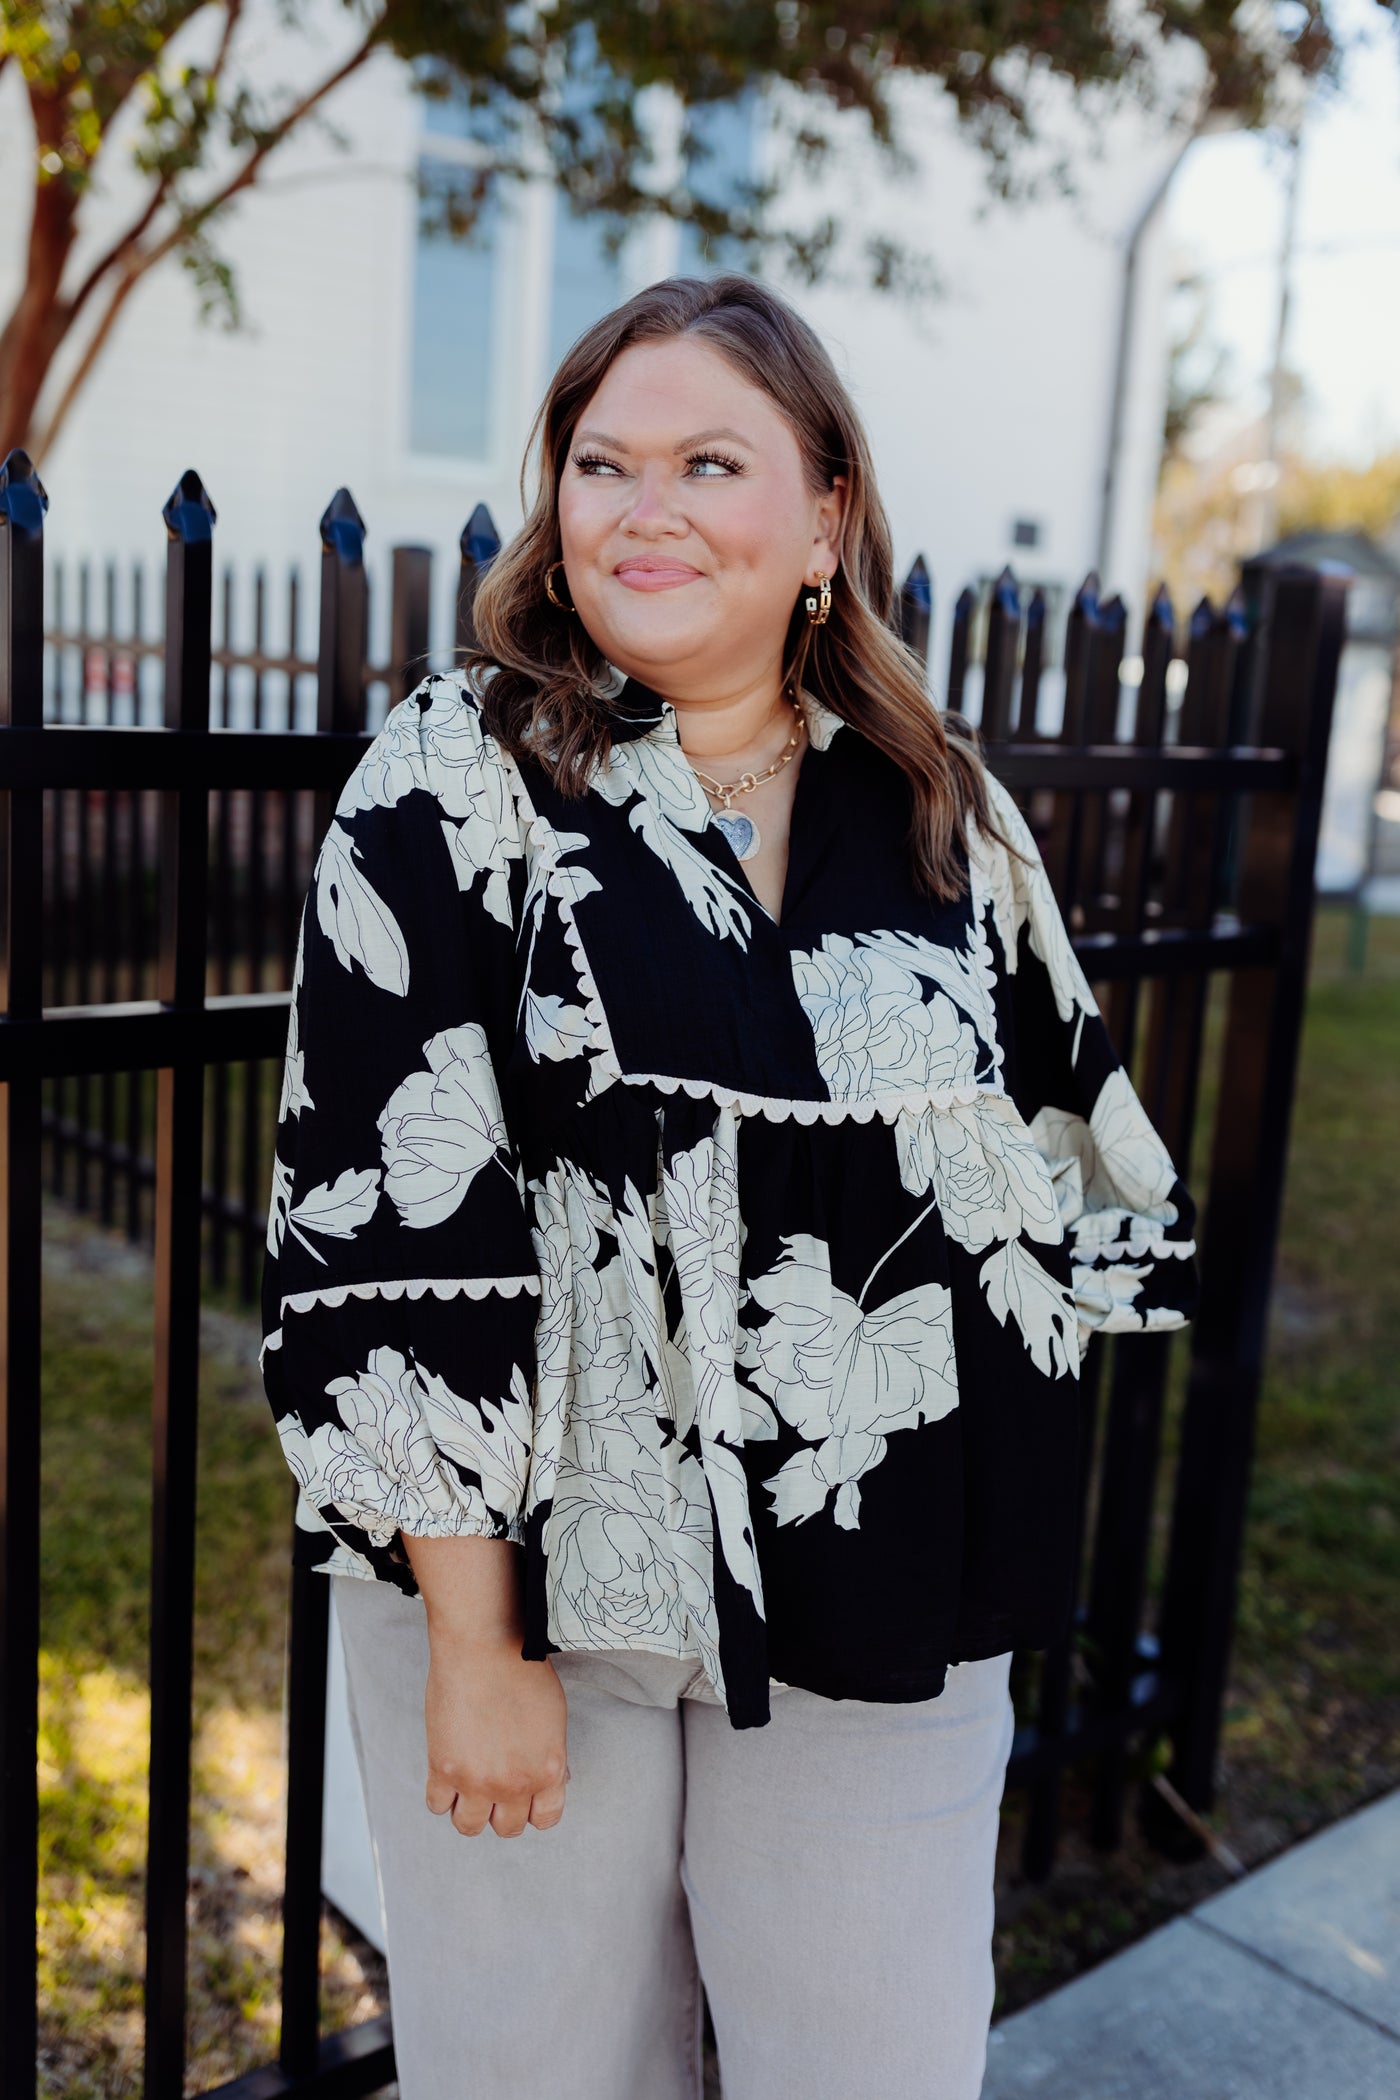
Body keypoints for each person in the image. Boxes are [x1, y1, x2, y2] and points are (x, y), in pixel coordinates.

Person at [259, 274, 1197, 2100]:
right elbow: (385, 1220)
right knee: (541, 2073)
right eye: (602, 462)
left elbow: (1067, 1172)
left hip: (878, 1577)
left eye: (709, 460)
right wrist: (473, 1638)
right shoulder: (460, 775)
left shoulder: (937, 806)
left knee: (874, 2065)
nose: (645, 507)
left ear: (828, 510)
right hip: (538, 1581)